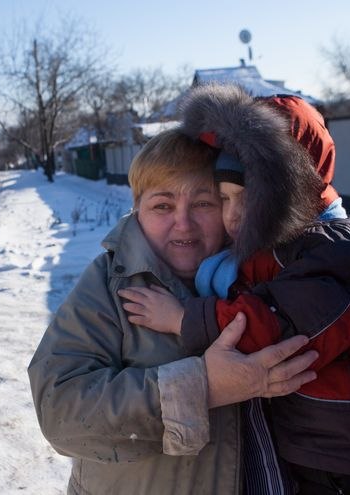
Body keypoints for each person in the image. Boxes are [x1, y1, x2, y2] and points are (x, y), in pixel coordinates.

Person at [119, 84, 350, 494]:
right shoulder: (270, 251)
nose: (233, 215)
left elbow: (278, 327)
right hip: (315, 440)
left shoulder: (345, 249)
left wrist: (182, 318)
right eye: (223, 198)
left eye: (248, 199)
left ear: (288, 192)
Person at [28, 127, 319, 494]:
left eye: (203, 203)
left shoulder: (268, 275)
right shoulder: (111, 284)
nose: (183, 223)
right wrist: (203, 387)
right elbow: (61, 413)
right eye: (162, 205)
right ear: (137, 209)